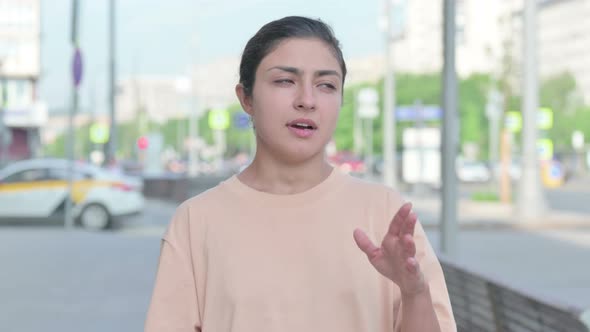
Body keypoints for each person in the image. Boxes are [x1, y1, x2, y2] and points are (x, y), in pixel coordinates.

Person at [145, 16, 456, 332]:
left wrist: (414, 292)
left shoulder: (386, 213)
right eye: (285, 81)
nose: (307, 100)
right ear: (246, 98)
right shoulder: (195, 222)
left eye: (326, 85)